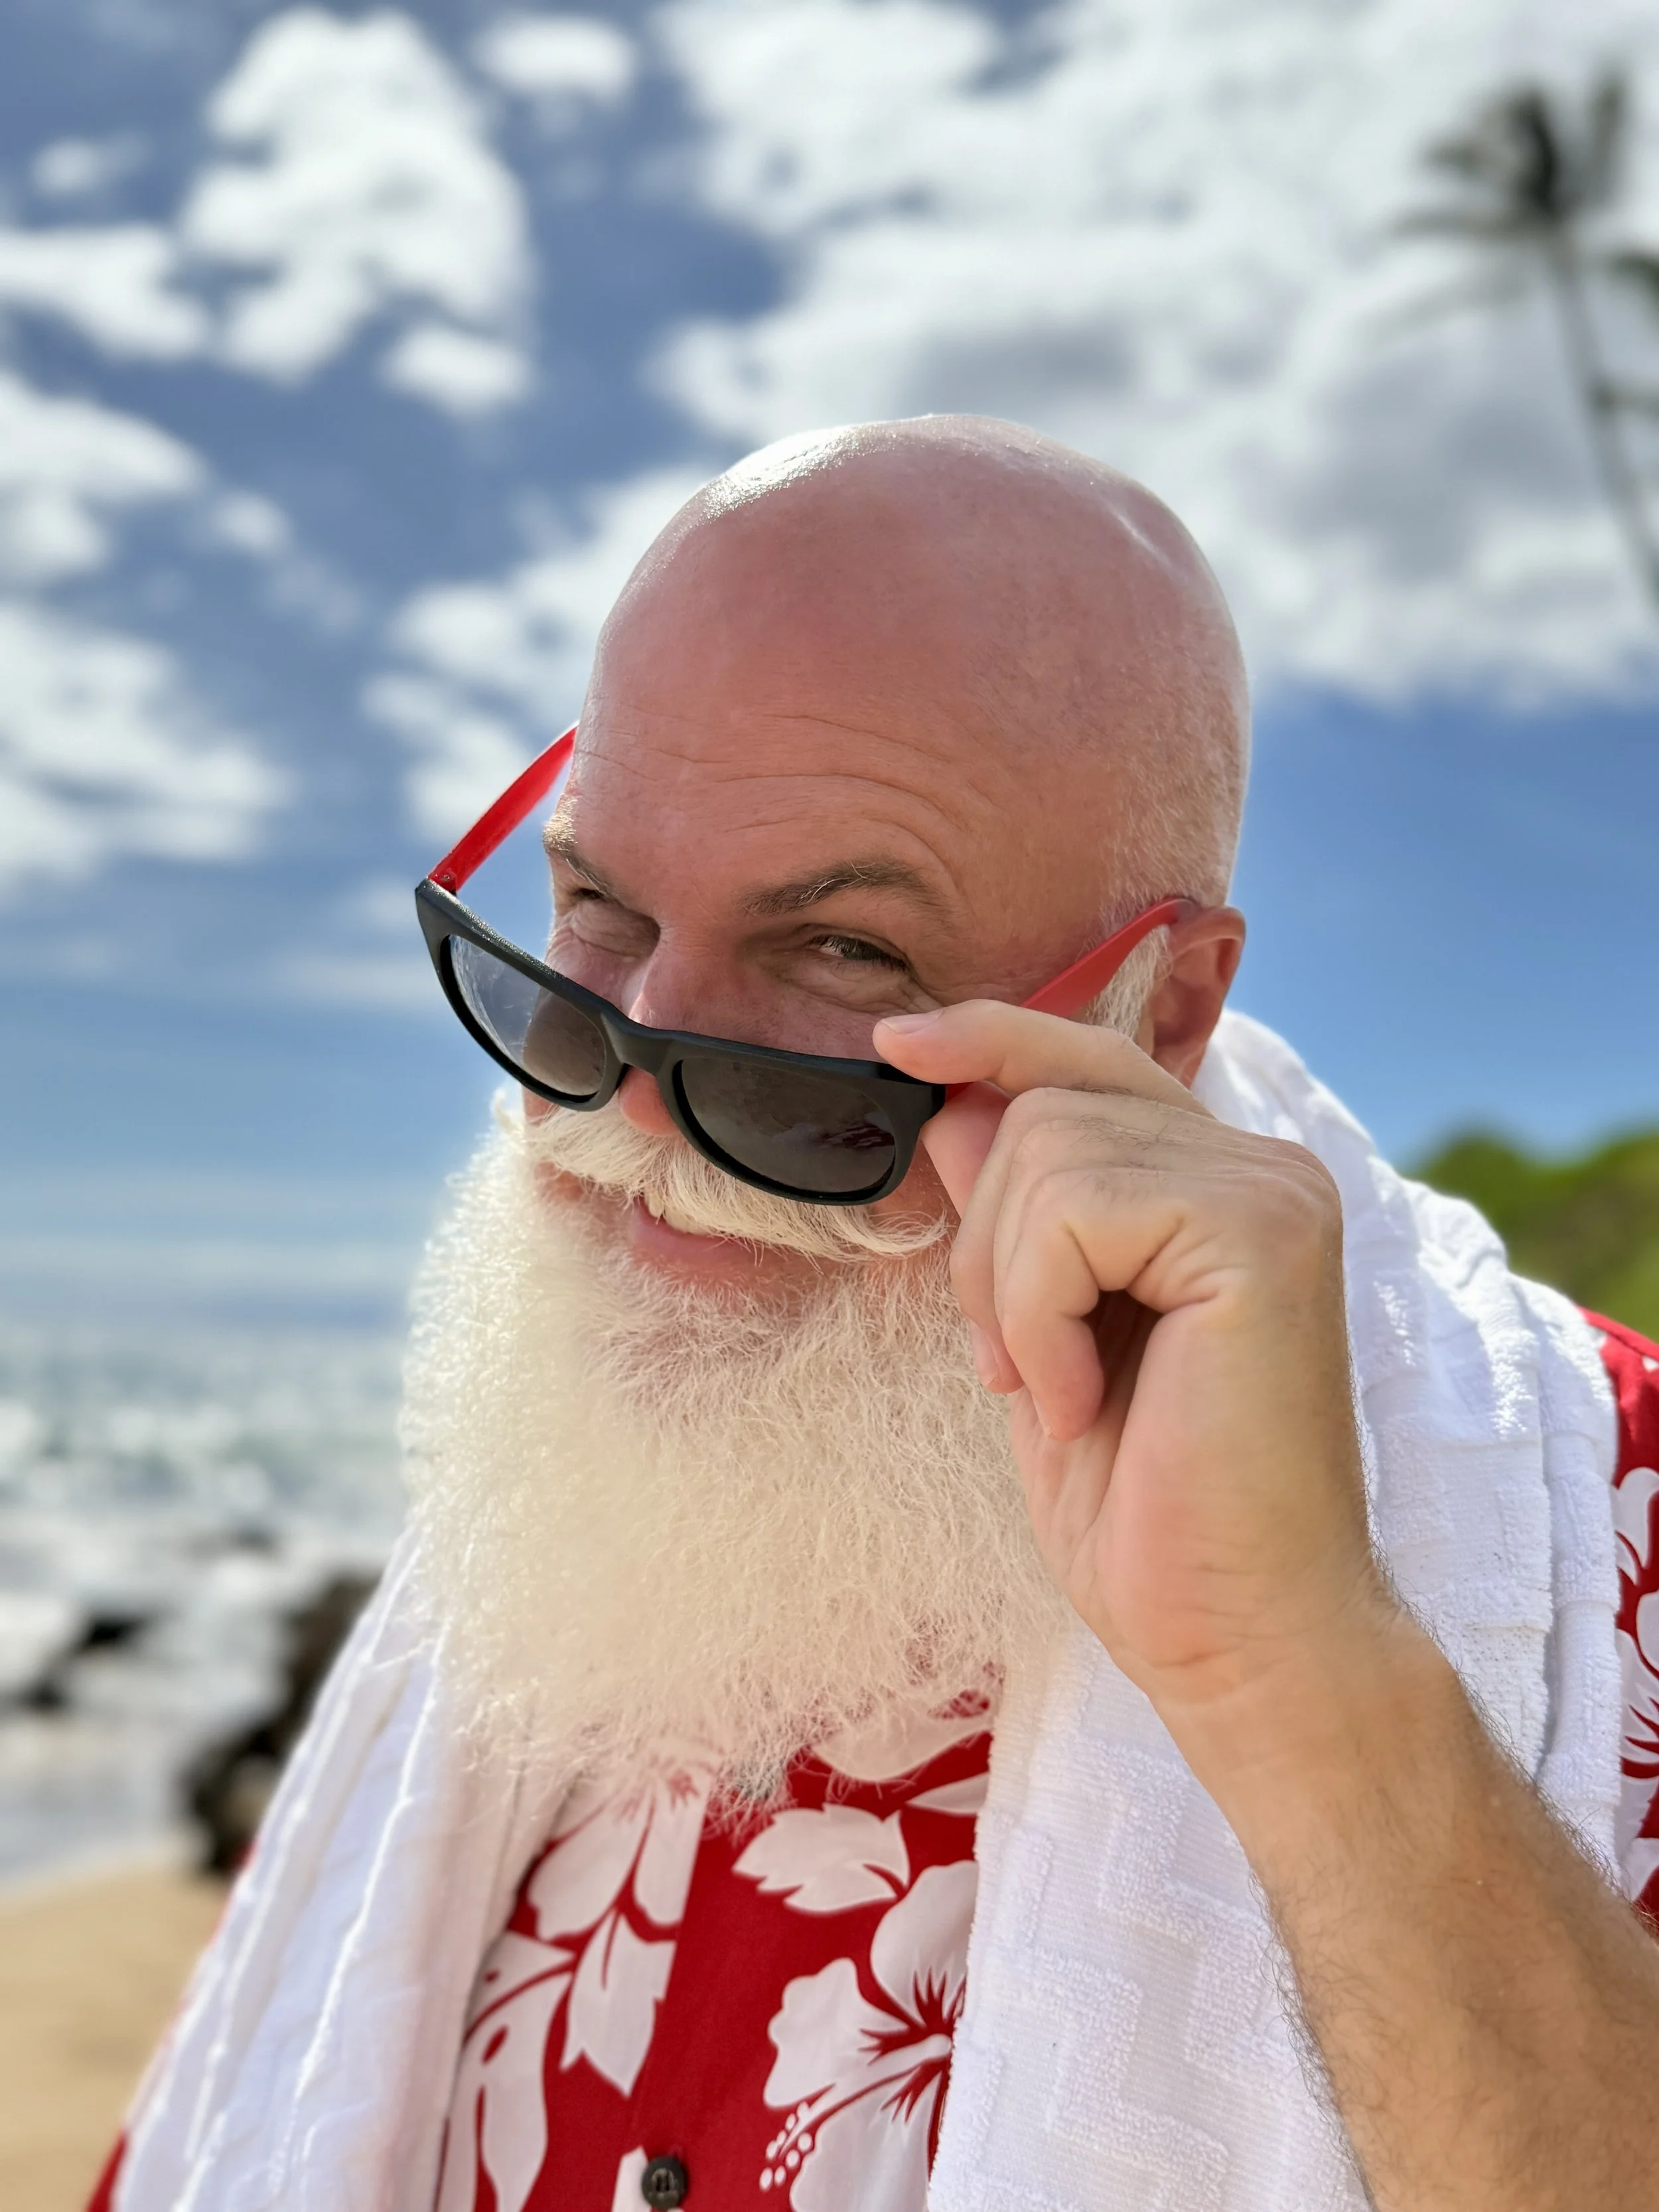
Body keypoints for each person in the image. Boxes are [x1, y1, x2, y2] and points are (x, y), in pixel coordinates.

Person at [96, 417, 1659, 2212]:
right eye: (594, 911)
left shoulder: (1611, 1524)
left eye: (842, 953)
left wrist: (1307, 1678)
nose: (629, 1104)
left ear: (1160, 1011)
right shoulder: (545, 1534)